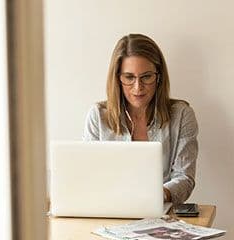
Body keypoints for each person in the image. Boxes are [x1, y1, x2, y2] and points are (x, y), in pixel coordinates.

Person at [82, 33, 198, 206]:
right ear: (117, 79)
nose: (138, 87)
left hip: (160, 214)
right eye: (129, 77)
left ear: (158, 77)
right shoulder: (98, 116)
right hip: (108, 211)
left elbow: (184, 178)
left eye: (146, 77)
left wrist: (160, 194)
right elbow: (88, 176)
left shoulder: (181, 115)